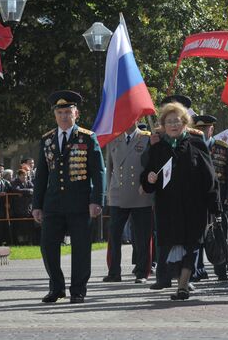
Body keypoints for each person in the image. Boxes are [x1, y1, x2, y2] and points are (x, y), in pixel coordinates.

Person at [140, 102, 220, 301]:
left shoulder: (197, 143)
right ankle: (179, 280)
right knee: (172, 245)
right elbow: (148, 178)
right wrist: (149, 179)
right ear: (163, 125)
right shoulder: (158, 148)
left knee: (192, 245)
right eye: (169, 122)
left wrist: (214, 205)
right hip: (168, 209)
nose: (174, 125)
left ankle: (183, 285)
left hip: (194, 207)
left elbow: (210, 176)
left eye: (177, 121)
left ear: (184, 123)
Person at [32, 90, 106, 304]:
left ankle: (78, 290)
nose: (64, 116)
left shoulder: (87, 137)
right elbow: (41, 175)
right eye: (60, 112)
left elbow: (98, 171)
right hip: (53, 203)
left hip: (80, 203)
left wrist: (96, 200)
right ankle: (56, 287)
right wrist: (37, 205)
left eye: (68, 112)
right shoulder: (47, 140)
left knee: (81, 248)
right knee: (47, 246)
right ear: (55, 115)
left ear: (76, 113)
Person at [103, 122, 154, 284]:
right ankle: (113, 272)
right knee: (114, 234)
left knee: (142, 236)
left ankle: (142, 272)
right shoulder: (114, 139)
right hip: (118, 193)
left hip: (141, 193)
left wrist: (148, 187)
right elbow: (109, 167)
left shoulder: (147, 138)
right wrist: (109, 193)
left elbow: (152, 166)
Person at [193, 114, 228, 281]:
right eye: (199, 128)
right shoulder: (190, 146)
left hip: (219, 199)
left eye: (205, 128)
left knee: (220, 232)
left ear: (212, 129)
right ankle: (197, 269)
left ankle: (221, 268)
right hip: (196, 200)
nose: (202, 131)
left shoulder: (223, 148)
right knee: (196, 236)